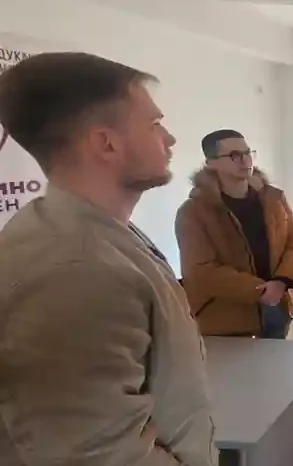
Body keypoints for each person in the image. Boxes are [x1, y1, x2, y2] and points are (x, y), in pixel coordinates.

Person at [0, 52, 214, 465]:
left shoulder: (99, 233)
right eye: (154, 124)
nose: (169, 138)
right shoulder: (73, 271)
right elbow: (100, 457)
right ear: (106, 143)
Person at [175, 129, 293, 338]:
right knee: (240, 361)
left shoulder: (273, 198)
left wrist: (283, 280)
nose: (245, 160)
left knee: (277, 358)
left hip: (279, 303)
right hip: (228, 315)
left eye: (247, 153)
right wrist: (259, 290)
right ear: (211, 163)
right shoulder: (194, 212)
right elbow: (201, 270)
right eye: (234, 155)